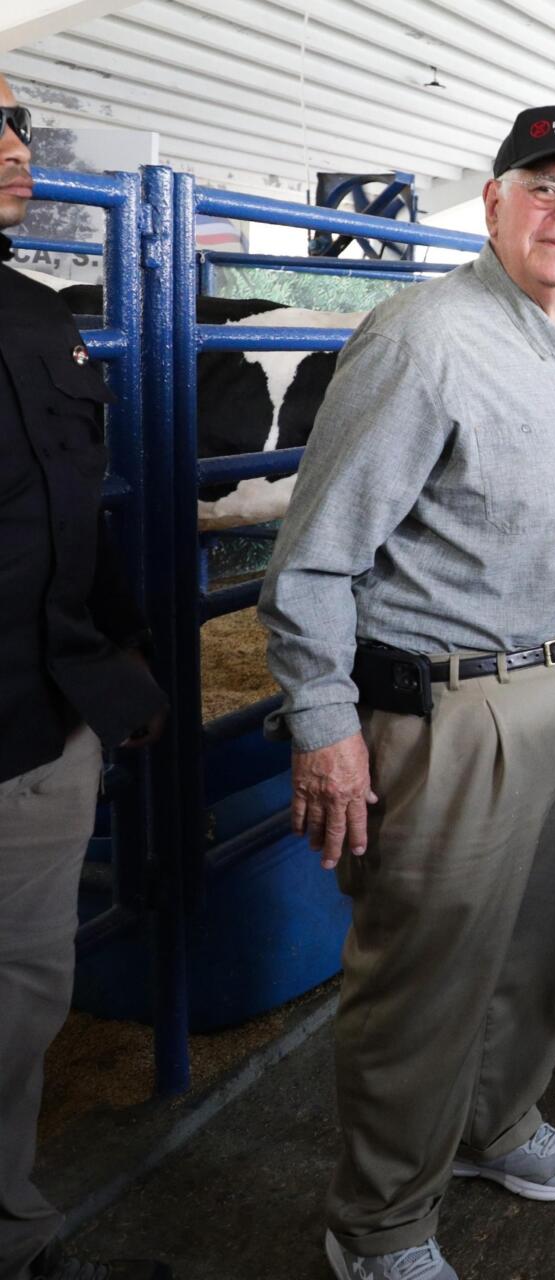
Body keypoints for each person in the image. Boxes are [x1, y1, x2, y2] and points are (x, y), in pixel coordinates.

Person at [259, 105, 555, 1280]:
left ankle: (493, 1123)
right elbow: (316, 553)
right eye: (544, 190)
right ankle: (378, 1224)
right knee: (427, 972)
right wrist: (323, 723)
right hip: (463, 698)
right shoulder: (424, 336)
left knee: (548, 942)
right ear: (491, 202)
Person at [0, 79, 174, 1280]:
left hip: (40, 724)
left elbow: (79, 513)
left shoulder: (33, 314)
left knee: (22, 996)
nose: (18, 147)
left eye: (15, 123)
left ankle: (14, 1235)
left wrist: (125, 656)